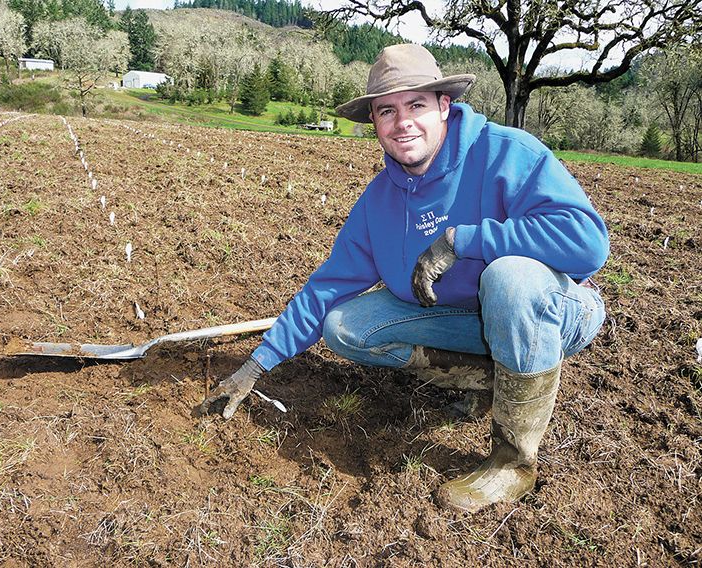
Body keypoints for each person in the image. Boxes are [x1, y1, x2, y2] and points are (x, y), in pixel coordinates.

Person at [201, 43, 609, 513]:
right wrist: (257, 364)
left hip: (557, 310)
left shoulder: (506, 153)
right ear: (374, 123)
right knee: (344, 325)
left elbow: (587, 243)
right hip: (467, 319)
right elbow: (329, 286)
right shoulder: (381, 200)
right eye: (386, 111)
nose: (403, 122)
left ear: (443, 105)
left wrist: (464, 241)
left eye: (416, 105)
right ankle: (490, 378)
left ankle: (513, 461)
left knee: (510, 277)